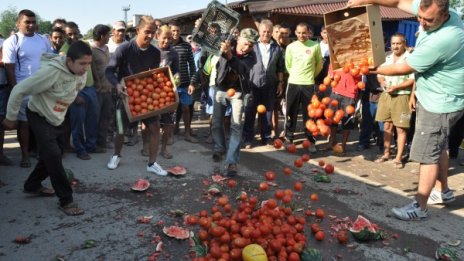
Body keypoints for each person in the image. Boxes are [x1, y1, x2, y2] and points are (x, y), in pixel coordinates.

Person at [347, 0, 464, 221]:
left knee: (427, 153)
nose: (422, 22)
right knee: (439, 146)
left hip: (439, 102)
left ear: (444, 15)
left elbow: (404, 67)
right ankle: (443, 191)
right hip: (444, 97)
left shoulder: (445, 38)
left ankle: (420, 206)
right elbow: (399, 1)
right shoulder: (441, 12)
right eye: (420, 16)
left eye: (428, 20)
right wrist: (368, 0)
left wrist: (369, 67)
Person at [2, 41, 91, 216]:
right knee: (54, 156)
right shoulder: (50, 72)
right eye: (82, 64)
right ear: (69, 60)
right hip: (39, 115)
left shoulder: (80, 72)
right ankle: (66, 200)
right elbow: (19, 90)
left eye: (88, 63)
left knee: (53, 153)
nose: (85, 68)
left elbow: (74, 88)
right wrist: (11, 117)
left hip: (57, 116)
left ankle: (32, 185)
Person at [105, 15, 167, 176]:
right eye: (147, 32)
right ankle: (116, 155)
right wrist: (117, 84)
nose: (150, 36)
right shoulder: (124, 49)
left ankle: (152, 163)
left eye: (153, 32)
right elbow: (109, 70)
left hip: (145, 96)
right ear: (137, 30)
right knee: (120, 129)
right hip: (125, 95)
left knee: (154, 128)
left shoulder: (154, 52)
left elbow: (152, 74)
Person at [2, 9, 52, 168]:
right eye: (27, 22)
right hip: (24, 89)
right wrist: (15, 90)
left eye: (33, 22)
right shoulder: (13, 41)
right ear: (18, 23)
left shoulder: (43, 40)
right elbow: (9, 68)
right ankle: (25, 156)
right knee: (24, 124)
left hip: (43, 89)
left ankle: (40, 152)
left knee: (43, 122)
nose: (31, 25)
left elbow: (50, 61)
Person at [212, 28, 258, 176]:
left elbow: (241, 68)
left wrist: (229, 55)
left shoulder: (252, 57)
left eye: (250, 46)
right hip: (220, 88)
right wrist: (222, 48)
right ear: (238, 39)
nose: (247, 48)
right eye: (245, 44)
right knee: (217, 122)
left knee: (236, 125)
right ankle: (219, 148)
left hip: (238, 91)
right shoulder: (227, 44)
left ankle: (232, 162)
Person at [242, 20, 285, 148]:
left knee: (267, 112)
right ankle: (248, 139)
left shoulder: (277, 48)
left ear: (272, 32)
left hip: (270, 84)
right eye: (263, 31)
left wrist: (280, 83)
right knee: (250, 112)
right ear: (259, 32)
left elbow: (280, 68)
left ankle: (266, 137)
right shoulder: (252, 46)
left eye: (268, 32)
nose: (266, 34)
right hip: (253, 84)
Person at [375, 33, 414, 169]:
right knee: (387, 126)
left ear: (404, 44)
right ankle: (386, 153)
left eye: (398, 43)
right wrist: (383, 83)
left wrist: (396, 87)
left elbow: (412, 79)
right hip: (387, 95)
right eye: (393, 43)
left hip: (402, 96)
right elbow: (380, 74)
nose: (395, 46)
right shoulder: (387, 57)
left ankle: (398, 158)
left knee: (401, 129)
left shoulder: (410, 58)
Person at [62, 22, 100, 160]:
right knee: (77, 122)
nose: (72, 36)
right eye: (69, 34)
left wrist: (97, 80)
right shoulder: (64, 50)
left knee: (92, 119)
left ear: (78, 32)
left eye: (74, 33)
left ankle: (91, 146)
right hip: (75, 91)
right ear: (65, 35)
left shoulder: (85, 45)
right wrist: (75, 94)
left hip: (90, 87)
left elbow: (92, 63)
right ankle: (80, 149)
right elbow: (65, 76)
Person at [284, 22, 322, 152]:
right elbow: (288, 65)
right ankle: (289, 138)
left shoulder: (315, 46)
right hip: (293, 83)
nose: (301, 35)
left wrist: (311, 76)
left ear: (309, 33)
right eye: (299, 33)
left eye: (304, 33)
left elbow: (319, 65)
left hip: (308, 84)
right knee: (290, 112)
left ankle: (311, 140)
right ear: (295, 32)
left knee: (310, 114)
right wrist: (295, 75)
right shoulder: (290, 47)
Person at [148, 25, 179, 159]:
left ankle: (164, 149)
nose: (167, 41)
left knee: (168, 123)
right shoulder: (151, 50)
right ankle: (145, 146)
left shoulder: (173, 53)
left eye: (169, 38)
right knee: (149, 122)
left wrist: (177, 78)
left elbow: (177, 70)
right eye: (164, 38)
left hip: (167, 92)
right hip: (150, 91)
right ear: (157, 36)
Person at [170, 21, 199, 143]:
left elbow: (192, 67)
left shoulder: (186, 46)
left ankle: (187, 133)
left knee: (186, 108)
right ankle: (170, 134)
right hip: (170, 85)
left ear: (180, 31)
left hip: (185, 84)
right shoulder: (166, 46)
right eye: (173, 31)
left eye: (177, 31)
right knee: (171, 110)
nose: (175, 33)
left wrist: (192, 83)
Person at [90, 24, 112, 153]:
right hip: (97, 90)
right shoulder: (91, 50)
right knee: (95, 118)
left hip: (108, 88)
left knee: (106, 118)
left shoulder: (107, 48)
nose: (110, 37)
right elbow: (92, 69)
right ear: (102, 36)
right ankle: (93, 144)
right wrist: (97, 82)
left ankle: (102, 142)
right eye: (108, 34)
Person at [0, 36, 14, 165]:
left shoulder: (4, 43)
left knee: (1, 123)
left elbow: (7, 63)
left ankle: (1, 154)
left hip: (2, 87)